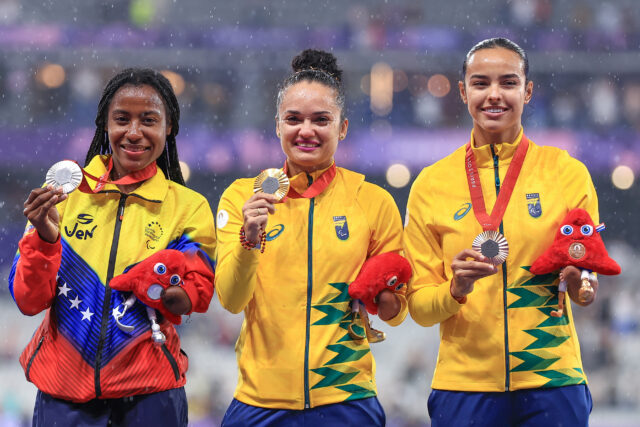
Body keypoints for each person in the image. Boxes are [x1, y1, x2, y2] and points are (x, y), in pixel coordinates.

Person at [403, 38, 597, 426]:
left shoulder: (566, 173)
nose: (494, 95)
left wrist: (580, 282)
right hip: (464, 385)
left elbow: (586, 281)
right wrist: (454, 289)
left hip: (553, 380)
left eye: (508, 82)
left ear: (527, 90)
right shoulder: (431, 184)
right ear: (462, 92)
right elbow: (419, 308)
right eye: (480, 83)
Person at [8, 68, 216, 426]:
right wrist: (45, 240)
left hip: (151, 396)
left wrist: (166, 285)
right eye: (122, 119)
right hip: (63, 395)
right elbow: (27, 300)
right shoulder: (64, 195)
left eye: (148, 120)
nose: (134, 133)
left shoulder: (188, 206)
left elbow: (195, 296)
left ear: (169, 127)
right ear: (105, 124)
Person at [215, 49, 408, 426]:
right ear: (277, 126)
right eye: (294, 119)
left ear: (343, 127)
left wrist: (384, 294)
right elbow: (232, 300)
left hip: (346, 400)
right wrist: (249, 240)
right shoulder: (243, 196)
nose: (306, 131)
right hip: (260, 401)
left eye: (321, 119)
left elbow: (396, 314)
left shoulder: (373, 202)